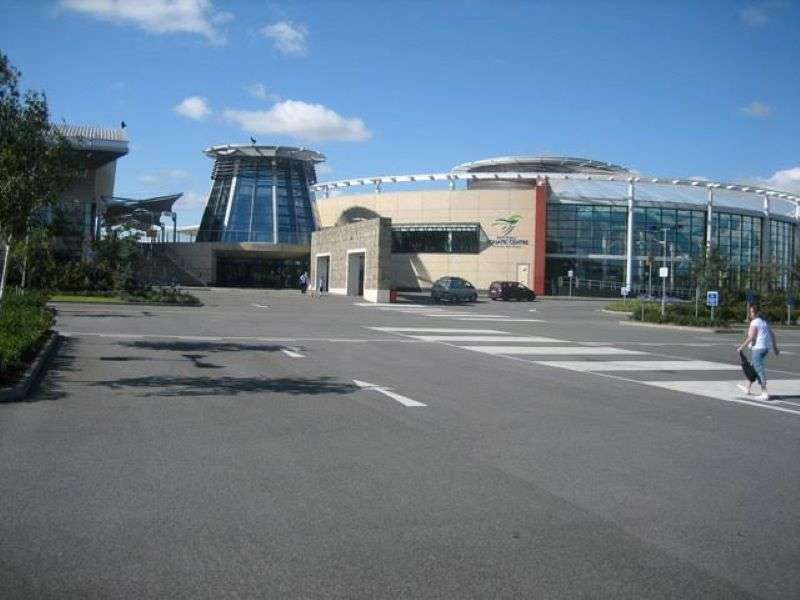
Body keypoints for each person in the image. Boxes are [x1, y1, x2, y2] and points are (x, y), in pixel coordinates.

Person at [737, 303, 780, 400]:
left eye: (752, 312)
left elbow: (751, 336)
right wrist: (774, 347)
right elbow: (772, 335)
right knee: (754, 367)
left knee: (759, 369)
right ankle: (747, 388)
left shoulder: (755, 322)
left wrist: (741, 347)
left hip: (758, 349)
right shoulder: (763, 322)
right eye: (751, 311)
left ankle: (764, 392)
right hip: (765, 348)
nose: (751, 314)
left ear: (756, 313)